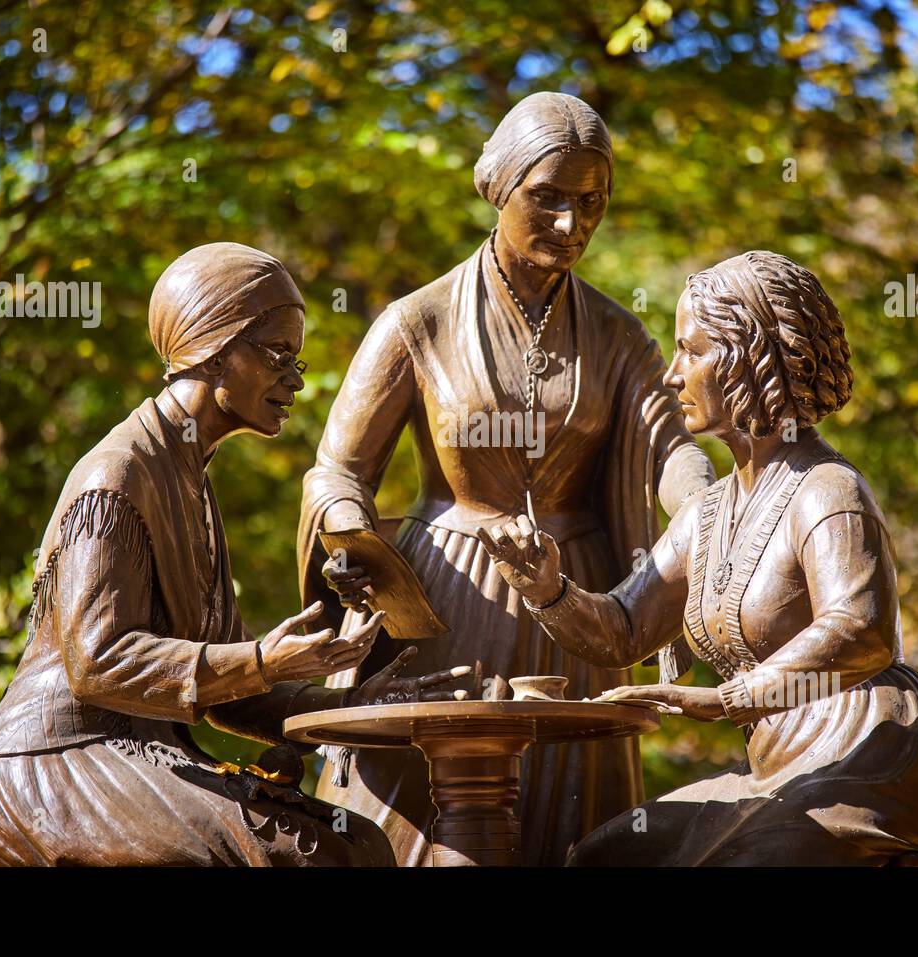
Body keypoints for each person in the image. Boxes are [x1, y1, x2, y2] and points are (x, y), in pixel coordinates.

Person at [296, 92, 715, 865]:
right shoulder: (414, 323)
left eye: (591, 202)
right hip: (445, 603)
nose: (571, 223)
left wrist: (712, 512)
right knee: (421, 827)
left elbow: (671, 449)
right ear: (500, 186)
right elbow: (338, 468)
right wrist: (350, 536)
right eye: (548, 198)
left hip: (577, 606)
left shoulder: (621, 336)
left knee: (572, 827)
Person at [0, 243, 464, 867]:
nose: (296, 380)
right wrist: (260, 659)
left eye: (297, 360)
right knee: (309, 856)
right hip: (54, 767)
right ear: (212, 349)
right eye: (278, 355)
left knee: (359, 844)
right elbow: (97, 662)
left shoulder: (191, 478)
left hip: (138, 753)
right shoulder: (117, 476)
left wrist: (346, 701)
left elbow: (231, 696)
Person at [479, 250, 918, 865]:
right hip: (779, 770)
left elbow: (862, 632)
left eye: (691, 352)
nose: (673, 375)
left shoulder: (828, 489)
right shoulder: (708, 512)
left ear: (753, 360)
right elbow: (624, 629)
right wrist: (549, 590)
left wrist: (724, 700)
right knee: (603, 856)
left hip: (875, 756)